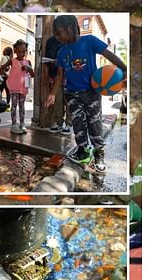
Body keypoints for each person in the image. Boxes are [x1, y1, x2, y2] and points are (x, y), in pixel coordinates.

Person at [44, 15, 127, 174]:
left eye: (58, 32)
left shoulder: (89, 41)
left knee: (94, 124)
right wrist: (53, 94)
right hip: (72, 94)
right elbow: (60, 76)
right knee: (78, 124)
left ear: (70, 28)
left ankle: (99, 154)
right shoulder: (62, 52)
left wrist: (124, 68)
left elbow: (108, 54)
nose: (56, 36)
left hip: (91, 93)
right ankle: (83, 150)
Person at [0, 40, 34, 134]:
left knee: (22, 106)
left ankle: (22, 124)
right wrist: (8, 77)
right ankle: (14, 125)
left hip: (23, 87)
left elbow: (33, 74)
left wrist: (28, 68)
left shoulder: (28, 62)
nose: (21, 54)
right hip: (14, 87)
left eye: (23, 52)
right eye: (19, 52)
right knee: (14, 105)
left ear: (26, 51)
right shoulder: (12, 61)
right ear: (15, 51)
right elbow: (1, 69)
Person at [43, 35, 71, 135]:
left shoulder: (70, 40)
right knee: (57, 100)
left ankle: (69, 123)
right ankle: (58, 122)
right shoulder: (51, 41)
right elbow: (46, 59)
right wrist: (46, 73)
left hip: (68, 76)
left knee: (68, 101)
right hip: (55, 74)